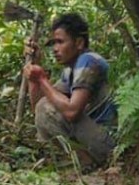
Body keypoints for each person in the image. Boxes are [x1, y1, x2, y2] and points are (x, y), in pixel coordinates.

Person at [23, 13, 117, 168]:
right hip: (96, 138)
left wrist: (41, 79)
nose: (55, 49)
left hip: (110, 143)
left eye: (60, 42)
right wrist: (34, 73)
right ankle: (86, 161)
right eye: (54, 43)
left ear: (79, 42)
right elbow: (39, 107)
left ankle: (87, 163)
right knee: (45, 107)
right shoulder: (70, 70)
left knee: (48, 107)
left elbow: (71, 111)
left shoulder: (88, 61)